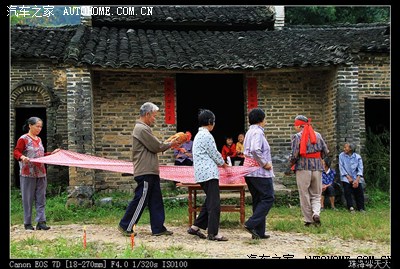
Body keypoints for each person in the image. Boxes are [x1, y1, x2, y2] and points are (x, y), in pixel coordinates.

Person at [118, 102, 181, 237]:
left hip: (151, 170)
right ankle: (126, 225)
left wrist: (168, 144)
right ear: (147, 115)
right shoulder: (141, 129)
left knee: (155, 200)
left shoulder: (144, 128)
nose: (154, 119)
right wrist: (171, 144)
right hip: (145, 170)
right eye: (154, 116)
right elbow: (156, 146)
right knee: (141, 198)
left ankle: (158, 228)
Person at [187, 109, 229, 241]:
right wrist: (223, 163)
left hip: (201, 173)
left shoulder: (199, 135)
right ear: (210, 122)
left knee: (209, 202)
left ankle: (195, 227)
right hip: (209, 173)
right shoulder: (206, 136)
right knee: (214, 204)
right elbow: (214, 153)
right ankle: (213, 233)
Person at [13, 117, 60, 231]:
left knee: (41, 197)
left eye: (41, 127)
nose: (39, 129)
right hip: (28, 173)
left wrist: (51, 154)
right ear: (30, 125)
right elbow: (16, 152)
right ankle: (27, 223)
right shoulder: (23, 139)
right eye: (37, 126)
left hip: (41, 173)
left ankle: (41, 222)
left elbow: (40, 155)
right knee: (28, 198)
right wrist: (22, 157)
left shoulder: (39, 139)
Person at [290, 115, 329, 227]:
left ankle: (308, 220)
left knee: (304, 194)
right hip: (317, 167)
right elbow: (326, 151)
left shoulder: (297, 137)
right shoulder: (318, 135)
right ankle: (316, 213)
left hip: (303, 168)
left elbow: (294, 155)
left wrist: (290, 165)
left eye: (295, 126)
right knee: (316, 194)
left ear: (298, 125)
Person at [242, 108, 275, 239]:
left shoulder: (249, 132)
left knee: (258, 199)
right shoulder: (257, 133)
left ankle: (259, 232)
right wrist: (264, 163)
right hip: (259, 172)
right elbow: (256, 150)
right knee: (268, 198)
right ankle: (251, 224)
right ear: (261, 120)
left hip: (250, 172)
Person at [338, 142, 366, 213]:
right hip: (346, 176)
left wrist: (357, 180)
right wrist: (348, 177)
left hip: (356, 177)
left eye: (345, 147)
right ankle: (350, 207)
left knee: (359, 190)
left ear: (350, 149)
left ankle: (361, 208)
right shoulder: (341, 155)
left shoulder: (357, 157)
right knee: (347, 189)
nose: (344, 149)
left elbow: (360, 168)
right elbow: (341, 167)